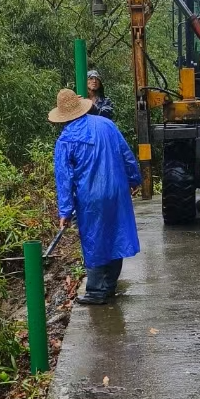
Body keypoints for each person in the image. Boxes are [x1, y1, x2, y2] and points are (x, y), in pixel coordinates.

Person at [49, 88, 142, 305]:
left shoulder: (66, 139)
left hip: (91, 196)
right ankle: (109, 286)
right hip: (116, 190)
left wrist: (65, 211)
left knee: (94, 238)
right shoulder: (107, 125)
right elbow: (126, 155)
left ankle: (95, 291)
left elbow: (64, 178)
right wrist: (134, 179)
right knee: (115, 233)